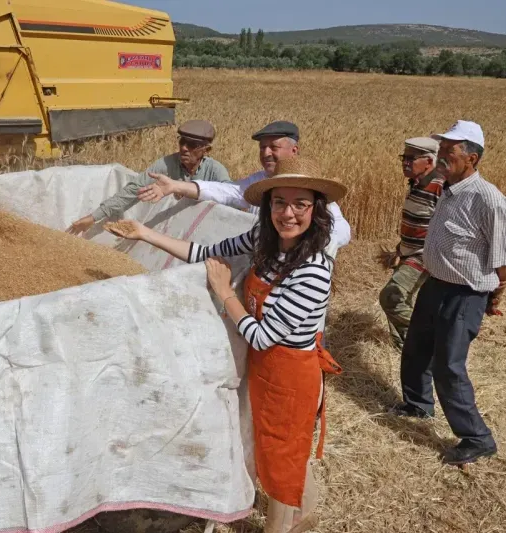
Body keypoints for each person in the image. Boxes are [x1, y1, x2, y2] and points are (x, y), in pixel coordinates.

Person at [105, 156, 345, 533]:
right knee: (279, 451)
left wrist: (223, 292)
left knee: (282, 458)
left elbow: (263, 336)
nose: (289, 213)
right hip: (266, 369)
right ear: (268, 206)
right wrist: (145, 234)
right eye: (280, 202)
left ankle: (282, 526)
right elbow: (206, 254)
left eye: (301, 204)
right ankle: (305, 516)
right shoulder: (263, 241)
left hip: (292, 374)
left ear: (316, 210)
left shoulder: (314, 267)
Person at [389, 120, 506, 466]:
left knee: (448, 365)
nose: (442, 156)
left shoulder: (488, 199)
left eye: (450, 151)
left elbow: (505, 257)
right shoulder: (446, 188)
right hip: (436, 285)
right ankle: (418, 405)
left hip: (465, 293)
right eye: (441, 149)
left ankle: (477, 437)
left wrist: (496, 294)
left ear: (472, 158)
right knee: (416, 347)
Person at [136, 120, 351, 250]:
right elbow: (226, 191)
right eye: (262, 147)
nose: (266, 153)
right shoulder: (257, 182)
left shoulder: (309, 187)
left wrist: (297, 243)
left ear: (294, 151)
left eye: (274, 147)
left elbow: (342, 231)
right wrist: (176, 186)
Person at [67, 120, 231, 235]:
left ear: (206, 150)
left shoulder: (216, 171)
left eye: (192, 145)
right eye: (182, 142)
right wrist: (94, 217)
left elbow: (232, 203)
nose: (184, 148)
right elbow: (133, 190)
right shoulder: (166, 164)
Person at [378, 137, 445, 352]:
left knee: (392, 297)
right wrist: (400, 249)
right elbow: (419, 222)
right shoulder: (416, 184)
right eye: (403, 157)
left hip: (424, 256)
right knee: (400, 299)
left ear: (428, 161)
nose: (405, 162)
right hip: (409, 252)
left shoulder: (440, 187)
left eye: (411, 158)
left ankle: (429, 337)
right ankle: (408, 349)